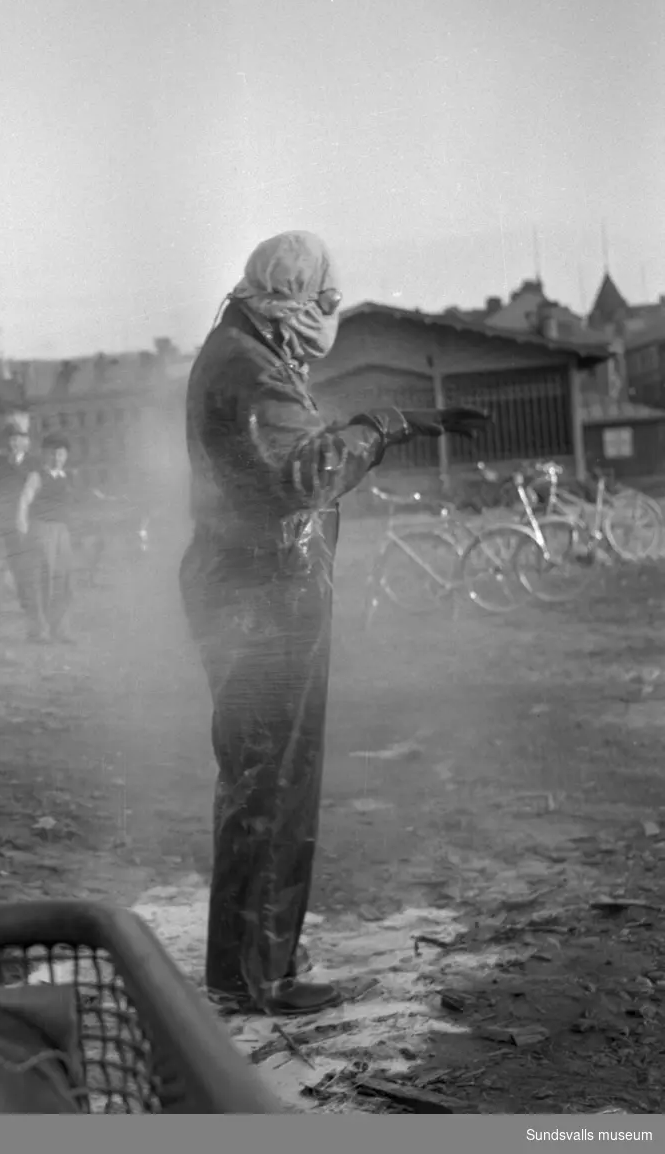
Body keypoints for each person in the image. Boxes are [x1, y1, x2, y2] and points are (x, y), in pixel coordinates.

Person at [179, 231, 487, 1015]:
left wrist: (397, 424)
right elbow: (307, 474)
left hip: (256, 591)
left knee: (266, 777)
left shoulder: (246, 350)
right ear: (287, 296)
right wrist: (381, 425)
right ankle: (254, 977)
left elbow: (292, 450)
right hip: (262, 599)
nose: (327, 319)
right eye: (320, 302)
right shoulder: (248, 366)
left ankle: (253, 963)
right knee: (269, 781)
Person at [18, 435, 77, 644]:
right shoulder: (37, 476)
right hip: (41, 530)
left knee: (65, 581)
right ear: (44, 454)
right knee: (43, 581)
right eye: (52, 452)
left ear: (66, 456)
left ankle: (61, 629)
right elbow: (24, 501)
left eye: (61, 453)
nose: (57, 457)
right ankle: (39, 630)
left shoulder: (67, 477)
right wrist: (23, 528)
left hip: (63, 532)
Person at [0, 420, 44, 639]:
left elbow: (39, 496)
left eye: (18, 438)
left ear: (26, 441)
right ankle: (32, 617)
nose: (13, 443)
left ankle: (38, 625)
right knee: (18, 576)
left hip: (31, 528)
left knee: (31, 575)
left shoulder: (35, 463)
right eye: (10, 439)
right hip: (8, 530)